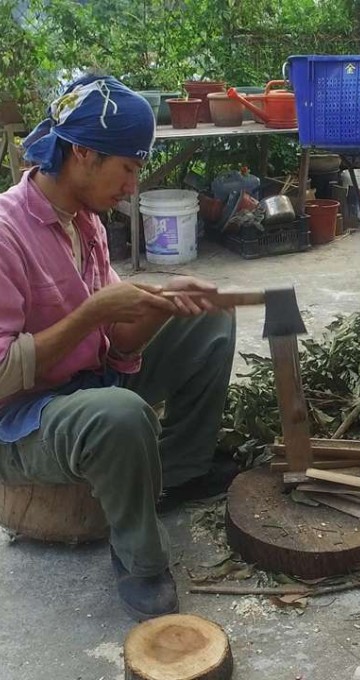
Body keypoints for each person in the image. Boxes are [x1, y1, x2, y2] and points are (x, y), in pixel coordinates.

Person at [0, 75, 238, 621]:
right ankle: (139, 558)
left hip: (90, 383)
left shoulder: (87, 223)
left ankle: (177, 471)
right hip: (23, 422)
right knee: (121, 415)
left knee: (209, 319)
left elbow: (115, 343)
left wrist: (160, 302)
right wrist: (92, 312)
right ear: (82, 152)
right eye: (128, 167)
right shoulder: (6, 232)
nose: (133, 184)